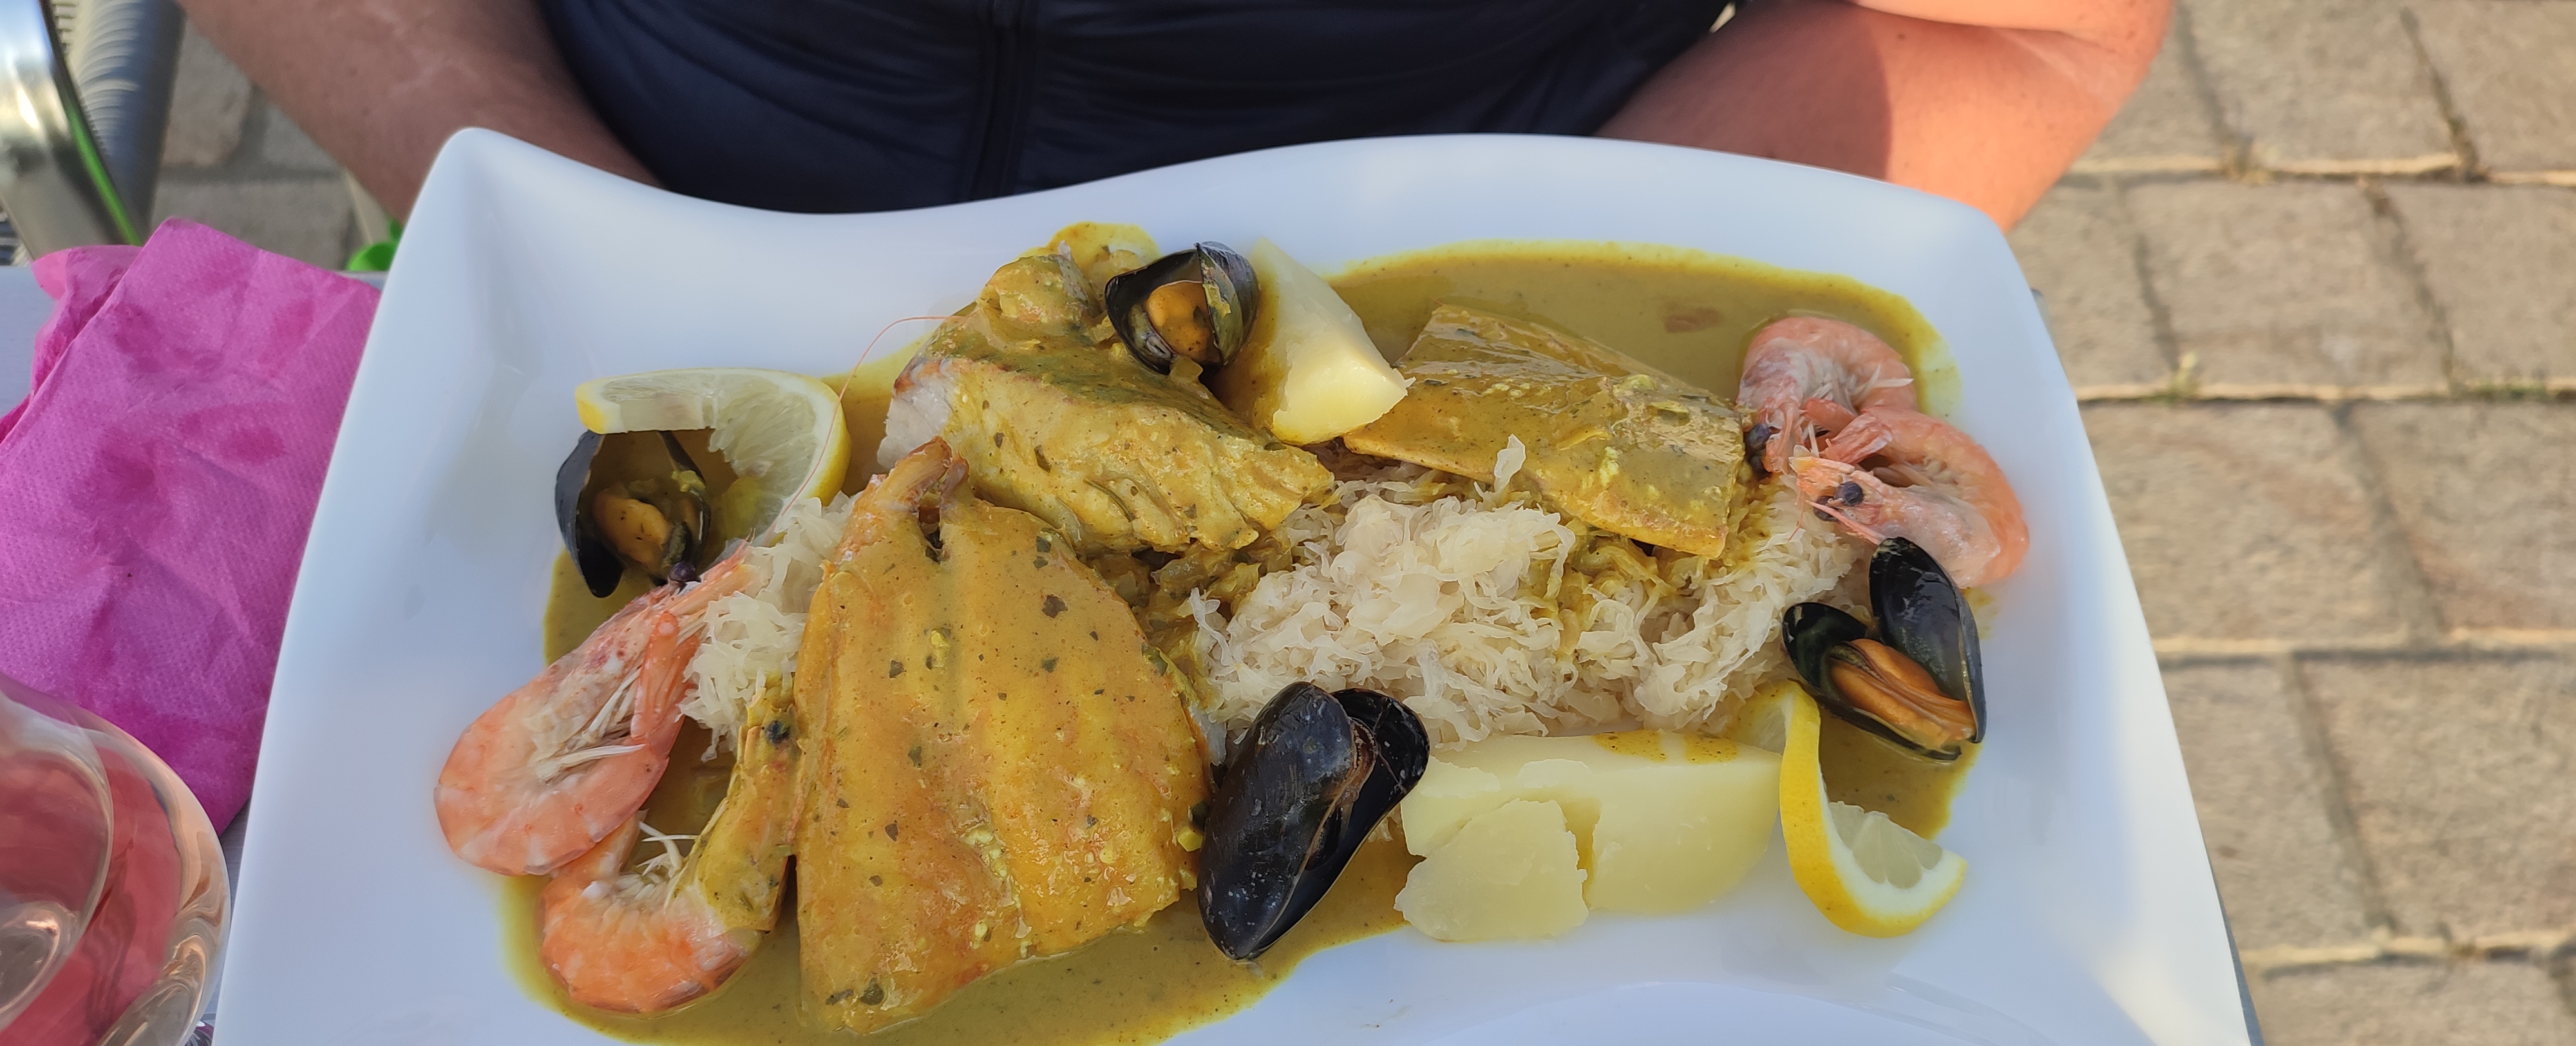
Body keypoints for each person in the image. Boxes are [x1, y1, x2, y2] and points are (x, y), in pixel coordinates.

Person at [175, 0, 2164, 230]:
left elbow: (2013, 29)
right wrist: (542, 216)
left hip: (1477, 282)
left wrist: (1501, 340)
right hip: (595, 204)